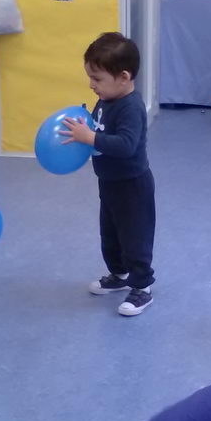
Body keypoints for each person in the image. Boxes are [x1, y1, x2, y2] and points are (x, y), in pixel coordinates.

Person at [60, 32, 155, 316]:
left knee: (134, 236)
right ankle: (119, 274)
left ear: (123, 77)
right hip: (110, 182)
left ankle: (142, 287)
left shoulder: (131, 107)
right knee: (110, 234)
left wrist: (90, 137)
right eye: (90, 77)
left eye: (97, 79)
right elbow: (101, 130)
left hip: (133, 184)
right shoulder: (107, 100)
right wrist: (87, 124)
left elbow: (126, 145)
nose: (92, 85)